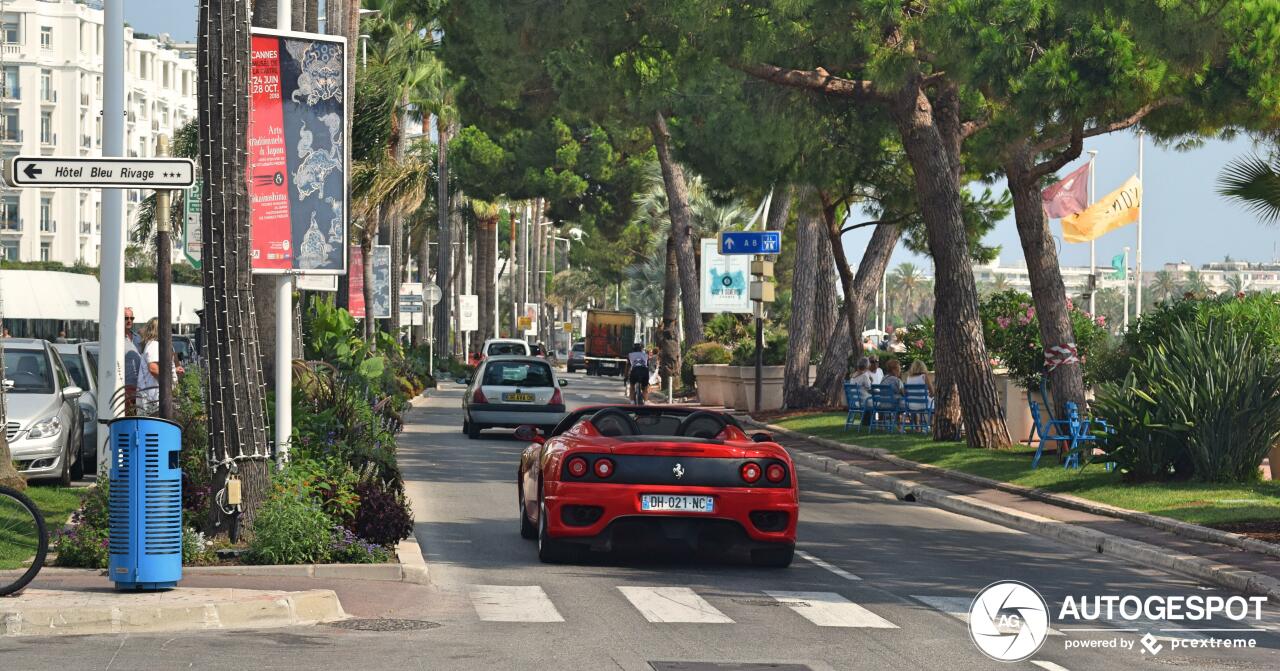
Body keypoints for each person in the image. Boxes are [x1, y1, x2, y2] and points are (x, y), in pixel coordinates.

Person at [135, 318, 161, 415]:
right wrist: (168, 380)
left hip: (148, 395)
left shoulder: (150, 344)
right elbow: (153, 368)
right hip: (151, 396)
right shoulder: (154, 345)